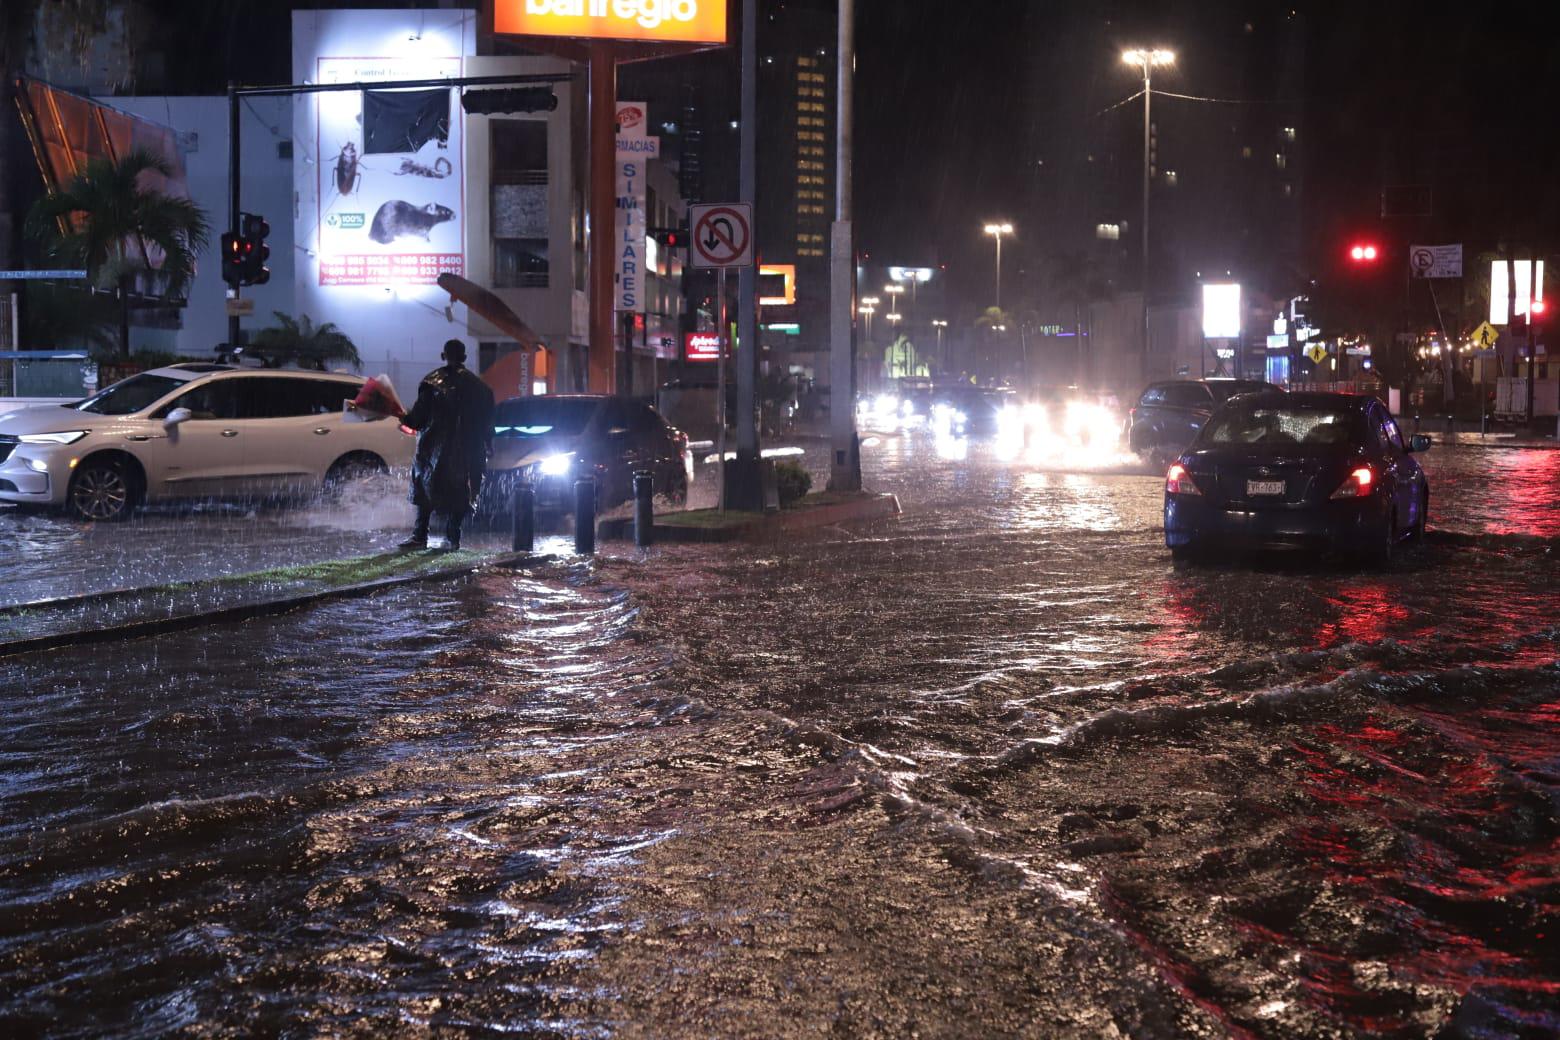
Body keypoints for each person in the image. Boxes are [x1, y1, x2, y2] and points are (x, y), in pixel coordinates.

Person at [399, 339, 495, 550]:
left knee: (424, 491)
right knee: (463, 491)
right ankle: (453, 536)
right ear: (465, 358)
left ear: (443, 355)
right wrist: (488, 446)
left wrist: (401, 416)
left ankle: (420, 535)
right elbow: (488, 423)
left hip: (434, 449)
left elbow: (417, 418)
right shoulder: (481, 388)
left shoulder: (431, 383)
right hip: (470, 450)